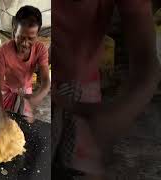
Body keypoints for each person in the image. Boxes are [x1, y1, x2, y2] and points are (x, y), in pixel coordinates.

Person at [53, 0, 161, 179]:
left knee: (83, 170)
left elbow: (145, 56)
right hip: (37, 89)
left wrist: (125, 109)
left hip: (83, 95)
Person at [0, 5, 50, 123]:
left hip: (25, 91)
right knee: (6, 122)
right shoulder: (2, 52)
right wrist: (0, 112)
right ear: (14, 30)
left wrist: (37, 97)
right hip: (7, 92)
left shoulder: (40, 49)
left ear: (37, 35)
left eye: (31, 38)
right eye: (21, 37)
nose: (25, 43)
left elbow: (45, 81)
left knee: (25, 123)